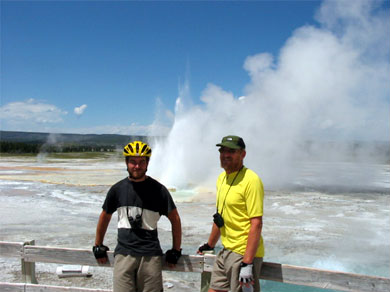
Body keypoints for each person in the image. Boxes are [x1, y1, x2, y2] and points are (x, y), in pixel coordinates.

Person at [93, 141, 182, 292]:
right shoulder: (117, 190)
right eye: (133, 162)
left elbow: (175, 219)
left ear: (147, 163)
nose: (137, 166)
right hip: (123, 255)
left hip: (150, 257)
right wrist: (98, 245)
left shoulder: (159, 190)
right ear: (126, 163)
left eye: (142, 162)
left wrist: (175, 250)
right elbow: (105, 216)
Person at [197, 135, 264, 292]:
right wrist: (210, 245)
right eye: (223, 150)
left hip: (242, 254)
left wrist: (247, 263)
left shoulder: (251, 180)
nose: (225, 155)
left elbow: (256, 223)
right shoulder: (222, 179)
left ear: (243, 154)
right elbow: (220, 217)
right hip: (226, 251)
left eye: (231, 151)